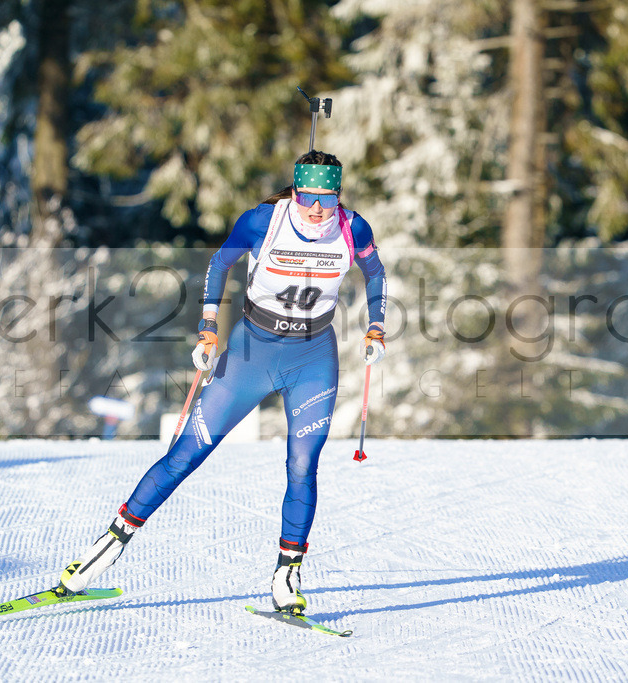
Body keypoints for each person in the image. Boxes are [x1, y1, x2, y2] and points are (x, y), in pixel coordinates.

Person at [56, 150, 387, 614]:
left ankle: (286, 575)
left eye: (326, 198)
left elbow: (376, 274)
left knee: (302, 465)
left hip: (313, 357)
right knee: (186, 454)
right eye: (308, 196)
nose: (316, 208)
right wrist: (208, 327)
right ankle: (108, 546)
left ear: (337, 195)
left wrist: (376, 327)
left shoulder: (353, 229)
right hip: (253, 351)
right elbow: (218, 263)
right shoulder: (262, 222)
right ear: (295, 191)